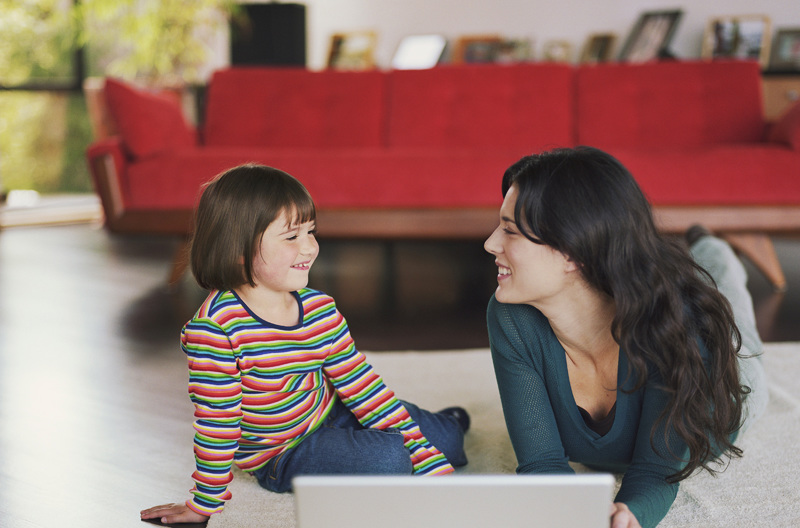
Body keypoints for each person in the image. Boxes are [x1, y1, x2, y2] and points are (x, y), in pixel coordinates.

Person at [141, 164, 469, 524]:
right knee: (392, 459)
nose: (311, 247)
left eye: (310, 231)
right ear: (237, 248)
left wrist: (426, 454)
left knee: (443, 444)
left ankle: (448, 423)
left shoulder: (317, 307)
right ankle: (422, 436)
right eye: (291, 237)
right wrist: (203, 504)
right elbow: (217, 425)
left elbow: (363, 387)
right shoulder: (217, 331)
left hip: (330, 410)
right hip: (283, 453)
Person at [483, 147, 768, 528]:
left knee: (722, 300)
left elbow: (656, 470)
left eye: (510, 230)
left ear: (573, 252)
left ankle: (715, 249)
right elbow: (540, 463)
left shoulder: (678, 324)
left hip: (730, 393)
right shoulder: (510, 315)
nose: (490, 244)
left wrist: (631, 515)